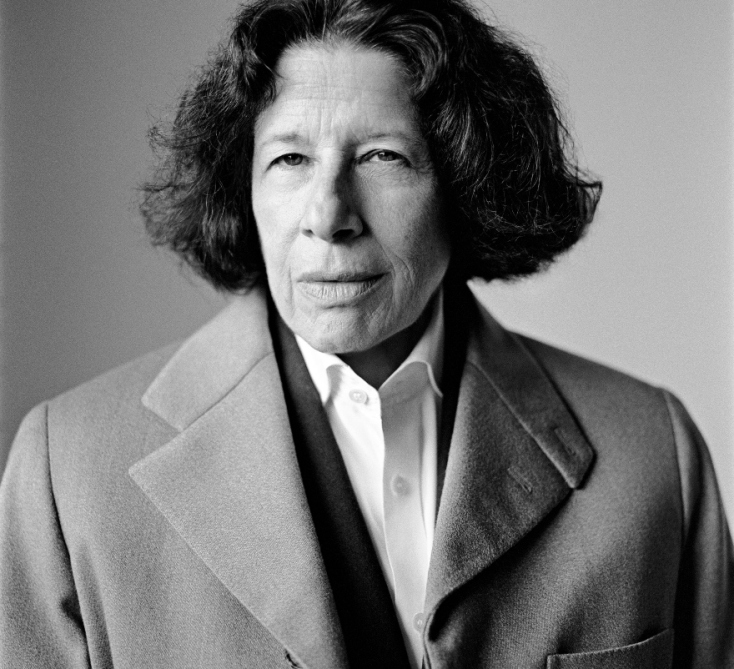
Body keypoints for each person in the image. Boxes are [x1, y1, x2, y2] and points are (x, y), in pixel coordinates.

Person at [1, 0, 732, 666]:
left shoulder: (651, 457)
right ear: (244, 189)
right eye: (289, 159)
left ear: (467, 184)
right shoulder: (67, 472)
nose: (329, 215)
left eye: (382, 156)